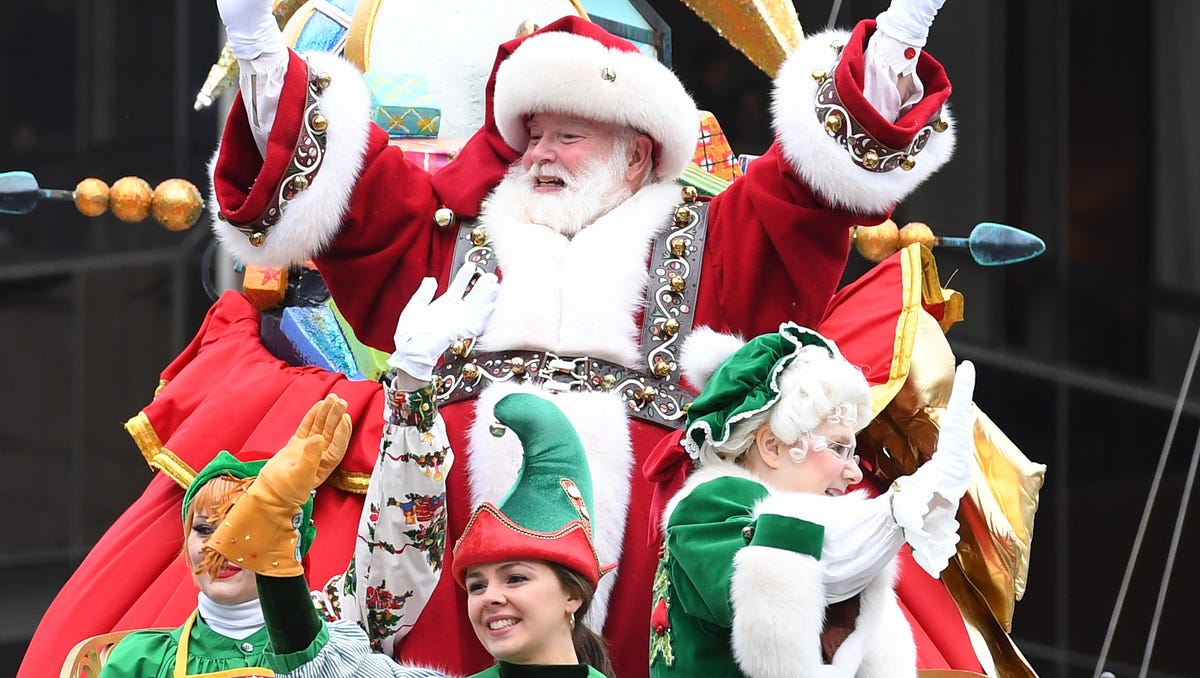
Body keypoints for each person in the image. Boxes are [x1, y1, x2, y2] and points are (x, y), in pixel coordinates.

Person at [200, 0, 966, 674]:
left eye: (565, 136)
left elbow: (810, 186)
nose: (535, 156)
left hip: (645, 570)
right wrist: (264, 54)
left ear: (636, 155)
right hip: (459, 565)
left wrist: (897, 39)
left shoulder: (713, 237)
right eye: (529, 137)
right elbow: (355, 195)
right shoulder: (458, 237)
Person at [650, 323, 975, 677]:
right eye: (838, 447)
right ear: (772, 446)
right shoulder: (712, 505)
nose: (853, 474)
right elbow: (781, 575)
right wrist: (898, 509)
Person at [97, 395, 352, 677]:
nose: (219, 548)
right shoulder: (141, 660)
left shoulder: (335, 656)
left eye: (244, 530)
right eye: (204, 529)